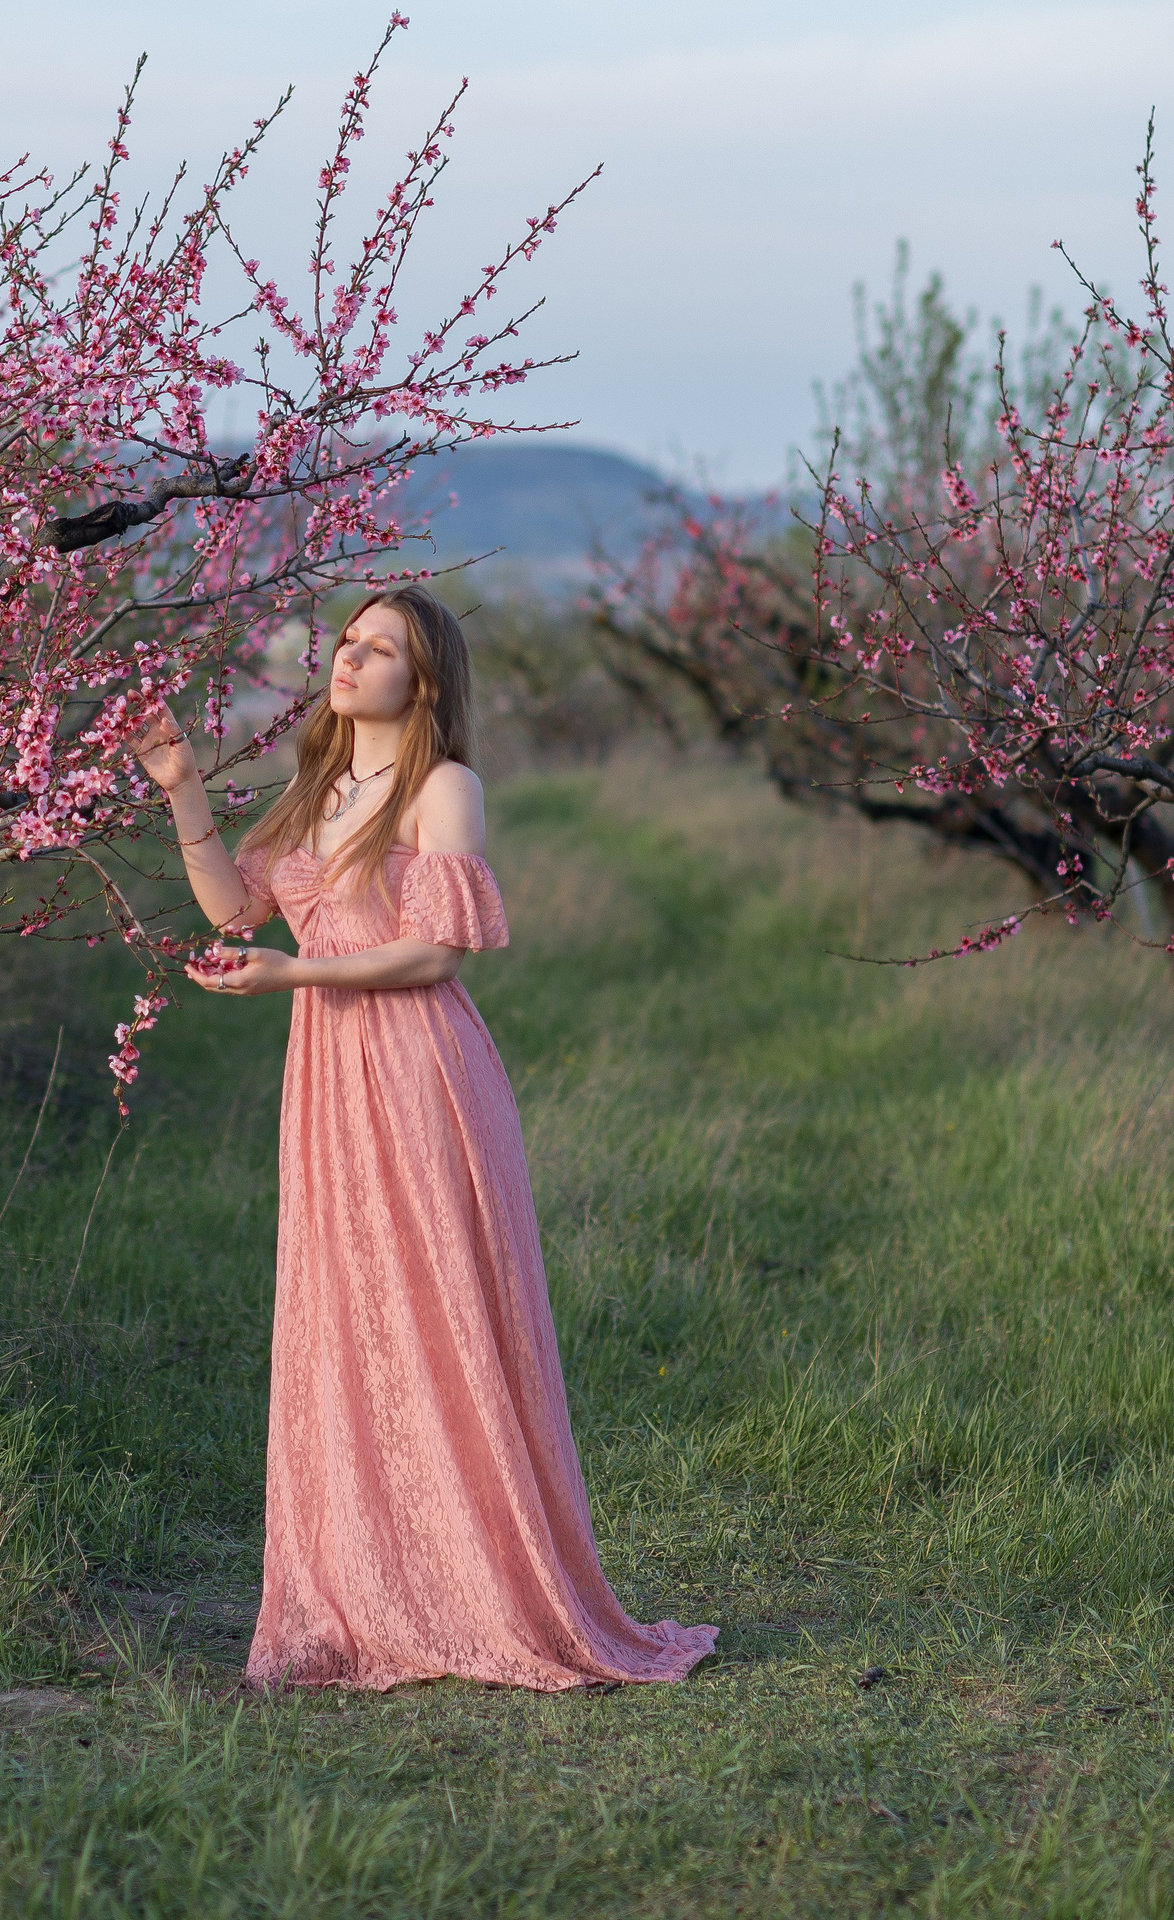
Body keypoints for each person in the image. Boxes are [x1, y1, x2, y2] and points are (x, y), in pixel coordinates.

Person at [129, 583, 718, 1693]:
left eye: (379, 649)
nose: (348, 662)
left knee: (437, 1308)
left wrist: (294, 971)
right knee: (347, 1315)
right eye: (345, 642)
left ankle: (481, 1588)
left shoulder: (441, 787)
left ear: (425, 678)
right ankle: (377, 1580)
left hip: (416, 1068)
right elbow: (228, 911)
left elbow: (434, 953)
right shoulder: (315, 785)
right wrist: (184, 792)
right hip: (328, 1077)